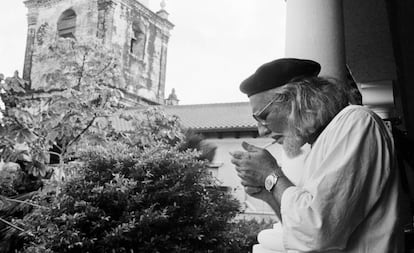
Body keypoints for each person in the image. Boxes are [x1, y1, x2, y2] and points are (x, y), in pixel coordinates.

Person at [230, 58, 404, 252]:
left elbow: (318, 232)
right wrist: (268, 192)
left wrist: (271, 174)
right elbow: (301, 236)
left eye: (263, 116)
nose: (261, 131)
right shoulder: (323, 142)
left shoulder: (356, 122)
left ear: (295, 99)